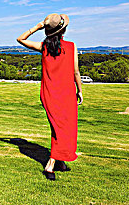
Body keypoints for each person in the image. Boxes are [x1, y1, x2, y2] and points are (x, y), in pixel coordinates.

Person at [16, 13, 83, 181]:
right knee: (64, 129)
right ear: (63, 30)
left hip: (49, 93)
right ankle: (51, 164)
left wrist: (37, 26)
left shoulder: (44, 47)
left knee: (58, 128)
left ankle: (60, 162)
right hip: (66, 93)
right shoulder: (71, 46)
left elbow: (21, 39)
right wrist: (80, 90)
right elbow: (76, 72)